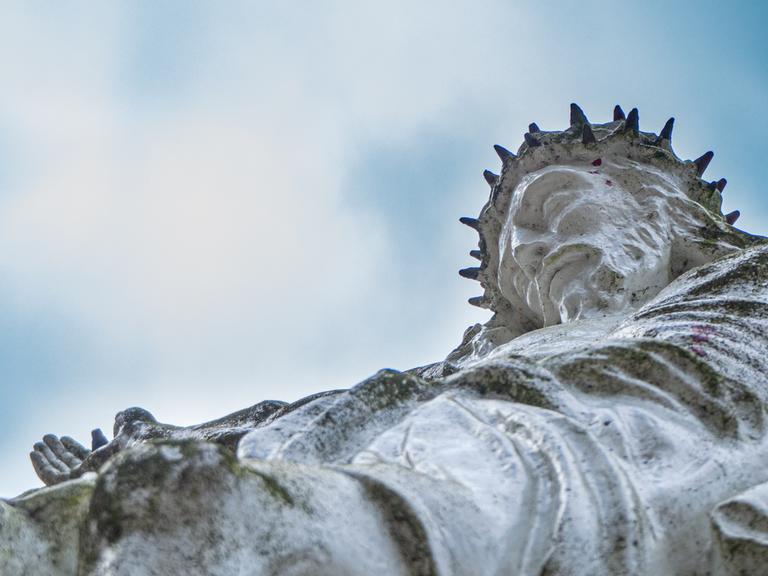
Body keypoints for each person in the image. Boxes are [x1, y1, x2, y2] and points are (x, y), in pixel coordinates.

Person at [22, 104, 768, 575]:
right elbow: (324, 409)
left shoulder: (749, 285)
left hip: (572, 475)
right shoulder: (483, 363)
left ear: (664, 207)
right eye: (515, 255)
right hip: (414, 447)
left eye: (553, 205)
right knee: (59, 527)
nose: (533, 249)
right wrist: (167, 440)